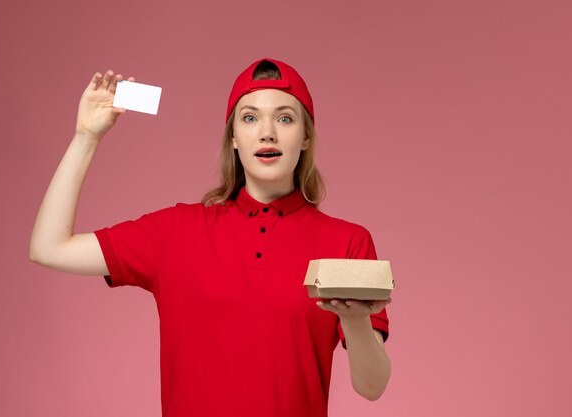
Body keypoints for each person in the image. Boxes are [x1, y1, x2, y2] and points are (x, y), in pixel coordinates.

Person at [30, 58, 392, 417]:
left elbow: (372, 387)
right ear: (233, 137)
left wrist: (356, 318)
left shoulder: (347, 242)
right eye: (250, 118)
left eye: (285, 118)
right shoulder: (175, 231)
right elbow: (50, 247)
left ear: (306, 136)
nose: (268, 132)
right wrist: (85, 137)